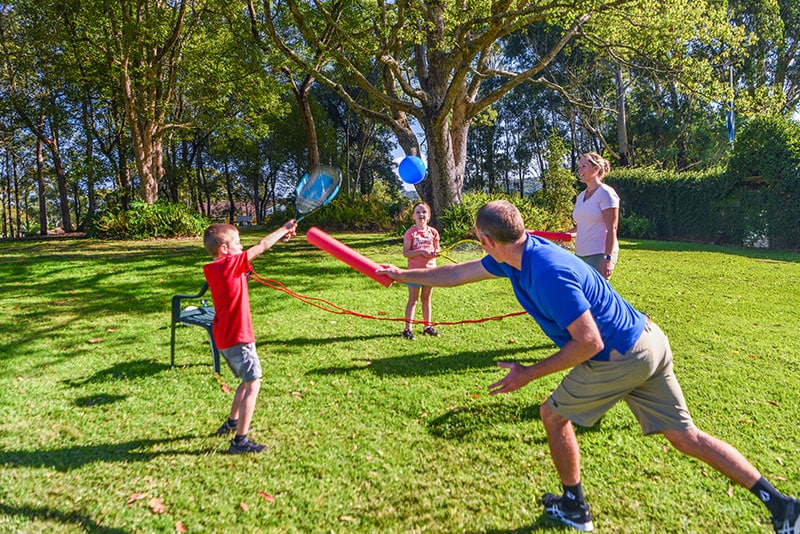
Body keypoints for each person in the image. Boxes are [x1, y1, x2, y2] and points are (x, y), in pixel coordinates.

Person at [377, 200, 799, 533]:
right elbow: (457, 273)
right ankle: (783, 507)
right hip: (649, 340)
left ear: (485, 238)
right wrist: (401, 275)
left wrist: (528, 372)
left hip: (618, 354)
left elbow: (588, 342)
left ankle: (575, 507)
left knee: (553, 414)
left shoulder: (546, 272)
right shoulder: (515, 254)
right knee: (685, 436)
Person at [203, 220, 297, 454]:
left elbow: (264, 246)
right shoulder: (231, 265)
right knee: (253, 383)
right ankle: (240, 441)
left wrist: (280, 236)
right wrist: (284, 228)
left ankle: (232, 422)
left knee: (246, 382)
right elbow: (262, 245)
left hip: (225, 337)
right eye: (237, 243)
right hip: (239, 336)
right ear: (224, 249)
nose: (241, 246)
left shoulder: (215, 268)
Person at [569, 152, 620, 280]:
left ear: (596, 169)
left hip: (599, 254)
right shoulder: (581, 196)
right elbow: (581, 226)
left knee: (594, 297)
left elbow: (612, 228)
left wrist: (607, 258)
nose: (579, 170)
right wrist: (567, 234)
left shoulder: (606, 193)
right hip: (581, 254)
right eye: (579, 166)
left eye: (584, 166)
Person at [401, 201, 440, 340]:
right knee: (413, 300)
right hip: (414, 272)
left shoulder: (433, 232)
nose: (421, 215)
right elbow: (406, 252)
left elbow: (437, 249)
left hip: (430, 272)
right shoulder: (410, 233)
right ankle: (407, 329)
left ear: (428, 216)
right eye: (418, 212)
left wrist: (435, 252)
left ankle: (427, 326)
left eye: (424, 212)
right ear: (413, 216)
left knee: (426, 299)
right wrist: (421, 252)